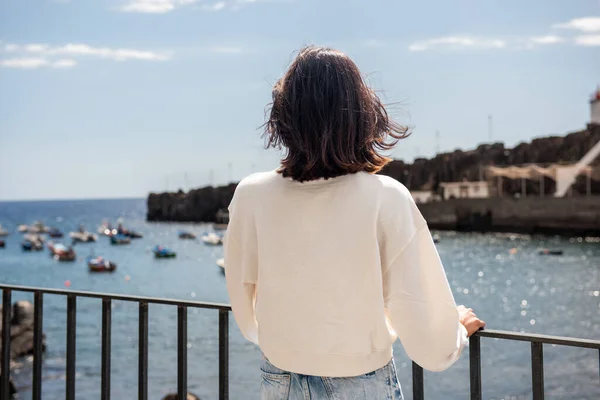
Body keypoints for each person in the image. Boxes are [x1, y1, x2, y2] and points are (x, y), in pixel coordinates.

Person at [224, 46, 485, 399]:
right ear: (362, 114)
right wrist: (455, 330)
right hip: (360, 383)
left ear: (284, 116)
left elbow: (245, 307)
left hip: (278, 378)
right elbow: (428, 339)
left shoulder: (251, 194)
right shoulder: (385, 196)